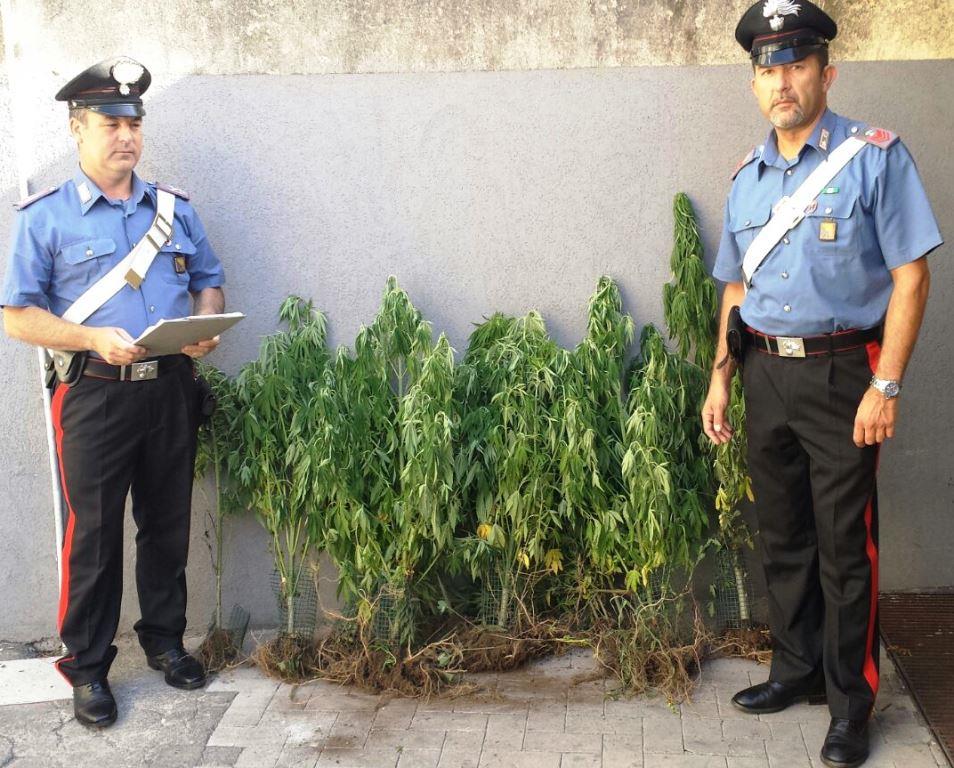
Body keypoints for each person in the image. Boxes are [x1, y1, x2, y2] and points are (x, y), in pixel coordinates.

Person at [701, 3, 942, 767]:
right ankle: (797, 669)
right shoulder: (747, 178)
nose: (783, 83)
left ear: (826, 75)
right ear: (754, 84)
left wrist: (886, 385)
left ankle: (850, 705)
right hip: (765, 373)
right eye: (768, 71)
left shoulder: (874, 158)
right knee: (784, 536)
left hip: (844, 376)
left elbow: (911, 278)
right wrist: (721, 379)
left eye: (797, 66)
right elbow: (735, 288)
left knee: (845, 547)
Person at [1, 57, 226, 728]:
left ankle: (165, 642)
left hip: (171, 389)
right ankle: (88, 668)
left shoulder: (174, 210)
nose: (127, 136)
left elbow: (208, 279)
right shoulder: (45, 218)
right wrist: (90, 338)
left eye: (134, 124)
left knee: (167, 525)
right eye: (111, 124)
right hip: (94, 396)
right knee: (93, 536)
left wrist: (206, 326)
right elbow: (17, 316)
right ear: (77, 129)